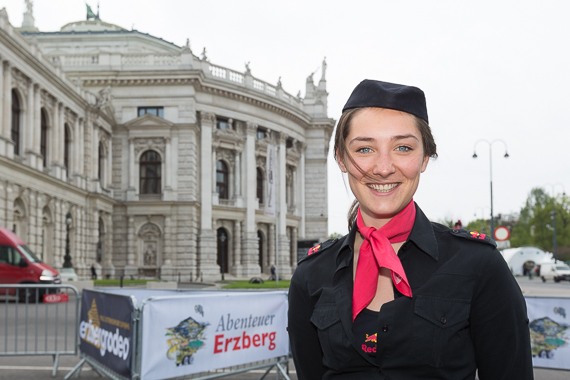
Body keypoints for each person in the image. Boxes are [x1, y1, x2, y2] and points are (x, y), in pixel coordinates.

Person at [288, 79, 533, 379]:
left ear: (425, 158)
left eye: (403, 147)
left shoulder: (479, 265)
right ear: (341, 158)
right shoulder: (310, 274)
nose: (383, 167)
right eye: (364, 149)